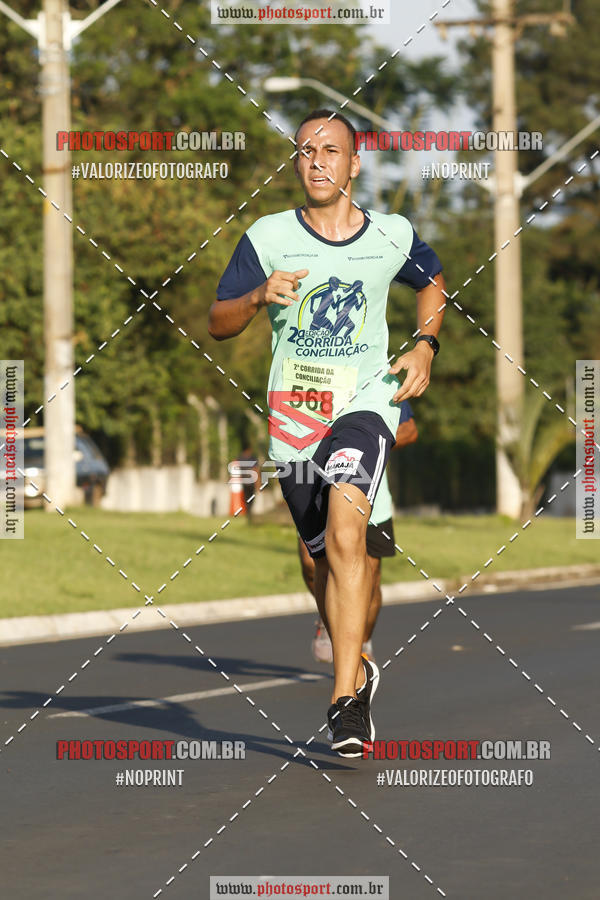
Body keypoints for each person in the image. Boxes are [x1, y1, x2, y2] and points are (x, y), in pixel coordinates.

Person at [208, 108, 446, 758]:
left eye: (331, 151)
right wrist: (257, 297)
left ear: (353, 164)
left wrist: (424, 346)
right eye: (306, 151)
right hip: (295, 417)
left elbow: (433, 282)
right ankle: (358, 660)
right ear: (296, 163)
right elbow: (218, 322)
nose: (318, 161)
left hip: (366, 403)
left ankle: (345, 700)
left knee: (347, 533)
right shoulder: (268, 235)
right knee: (322, 560)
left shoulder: (390, 232)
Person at [301, 405, 417, 665]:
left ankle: (360, 646)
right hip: (315, 484)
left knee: (370, 578)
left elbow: (409, 430)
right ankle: (330, 616)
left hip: (369, 493)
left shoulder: (382, 376)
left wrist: (360, 442)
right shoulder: (315, 368)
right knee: (312, 564)